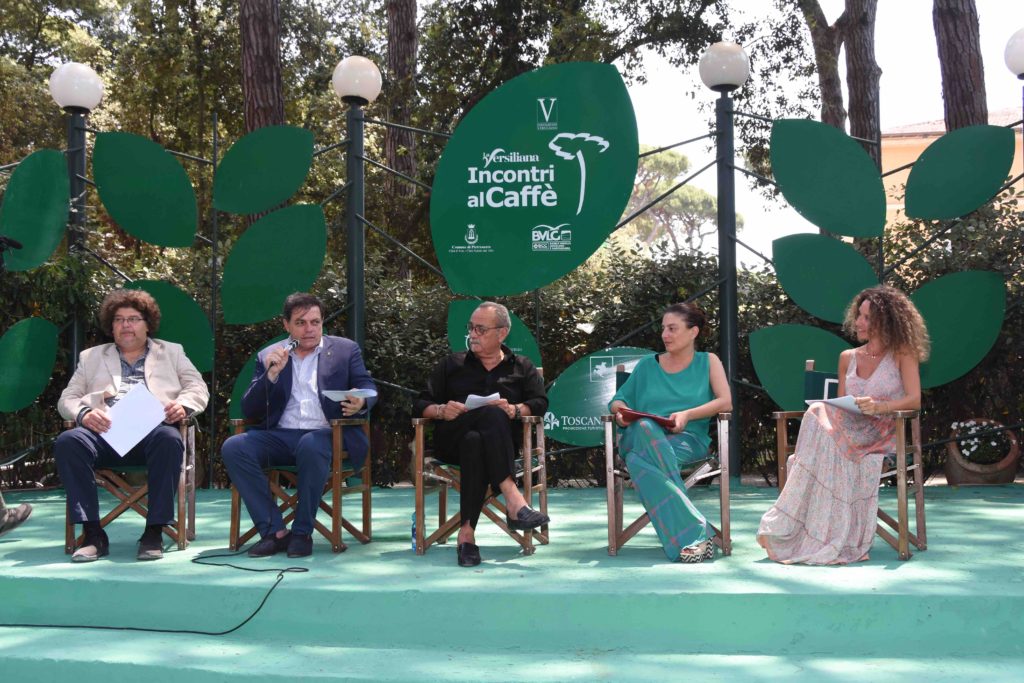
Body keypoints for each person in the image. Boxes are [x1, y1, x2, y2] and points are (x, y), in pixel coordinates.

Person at [757, 285, 930, 565]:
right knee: (817, 410)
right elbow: (839, 406)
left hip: (884, 431)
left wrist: (879, 406)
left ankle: (818, 527)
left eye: (867, 317)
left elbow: (914, 400)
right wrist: (848, 408)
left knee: (816, 417)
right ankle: (811, 530)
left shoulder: (902, 353)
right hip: (847, 430)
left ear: (887, 321)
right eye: (859, 315)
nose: (858, 322)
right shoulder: (847, 358)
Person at [55, 289, 209, 562]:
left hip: (153, 434)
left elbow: (198, 387)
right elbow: (67, 398)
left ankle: (154, 531)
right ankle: (93, 534)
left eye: (134, 318)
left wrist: (183, 405)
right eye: (119, 319)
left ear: (147, 324)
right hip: (105, 435)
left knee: (169, 438)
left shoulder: (172, 352)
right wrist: (85, 413)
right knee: (69, 441)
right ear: (111, 326)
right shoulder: (91, 357)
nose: (126, 325)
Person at [222, 293, 377, 559]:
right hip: (280, 437)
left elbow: (369, 388)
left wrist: (360, 401)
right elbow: (250, 410)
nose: (309, 329)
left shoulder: (344, 349)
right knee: (234, 447)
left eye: (315, 322)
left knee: (311, 444)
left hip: (329, 434)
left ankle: (302, 531)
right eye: (301, 322)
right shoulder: (269, 356)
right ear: (286, 325)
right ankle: (275, 531)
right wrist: (271, 374)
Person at [414, 302, 550, 567]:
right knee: (490, 414)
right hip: (451, 439)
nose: (472, 334)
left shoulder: (522, 367)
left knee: (476, 441)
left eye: (480, 329)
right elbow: (419, 404)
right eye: (471, 328)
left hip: (496, 448)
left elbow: (540, 404)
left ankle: (466, 535)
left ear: (502, 333)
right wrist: (441, 410)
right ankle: (513, 498)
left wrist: (514, 409)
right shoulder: (451, 364)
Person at [609, 302, 732, 563]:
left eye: (673, 328)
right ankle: (697, 533)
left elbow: (725, 402)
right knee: (644, 426)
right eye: (664, 328)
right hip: (639, 436)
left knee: (638, 462)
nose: (665, 334)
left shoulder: (708, 362)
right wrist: (621, 412)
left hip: (687, 443)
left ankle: (695, 534)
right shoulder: (646, 365)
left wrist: (688, 414)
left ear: (693, 332)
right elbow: (618, 401)